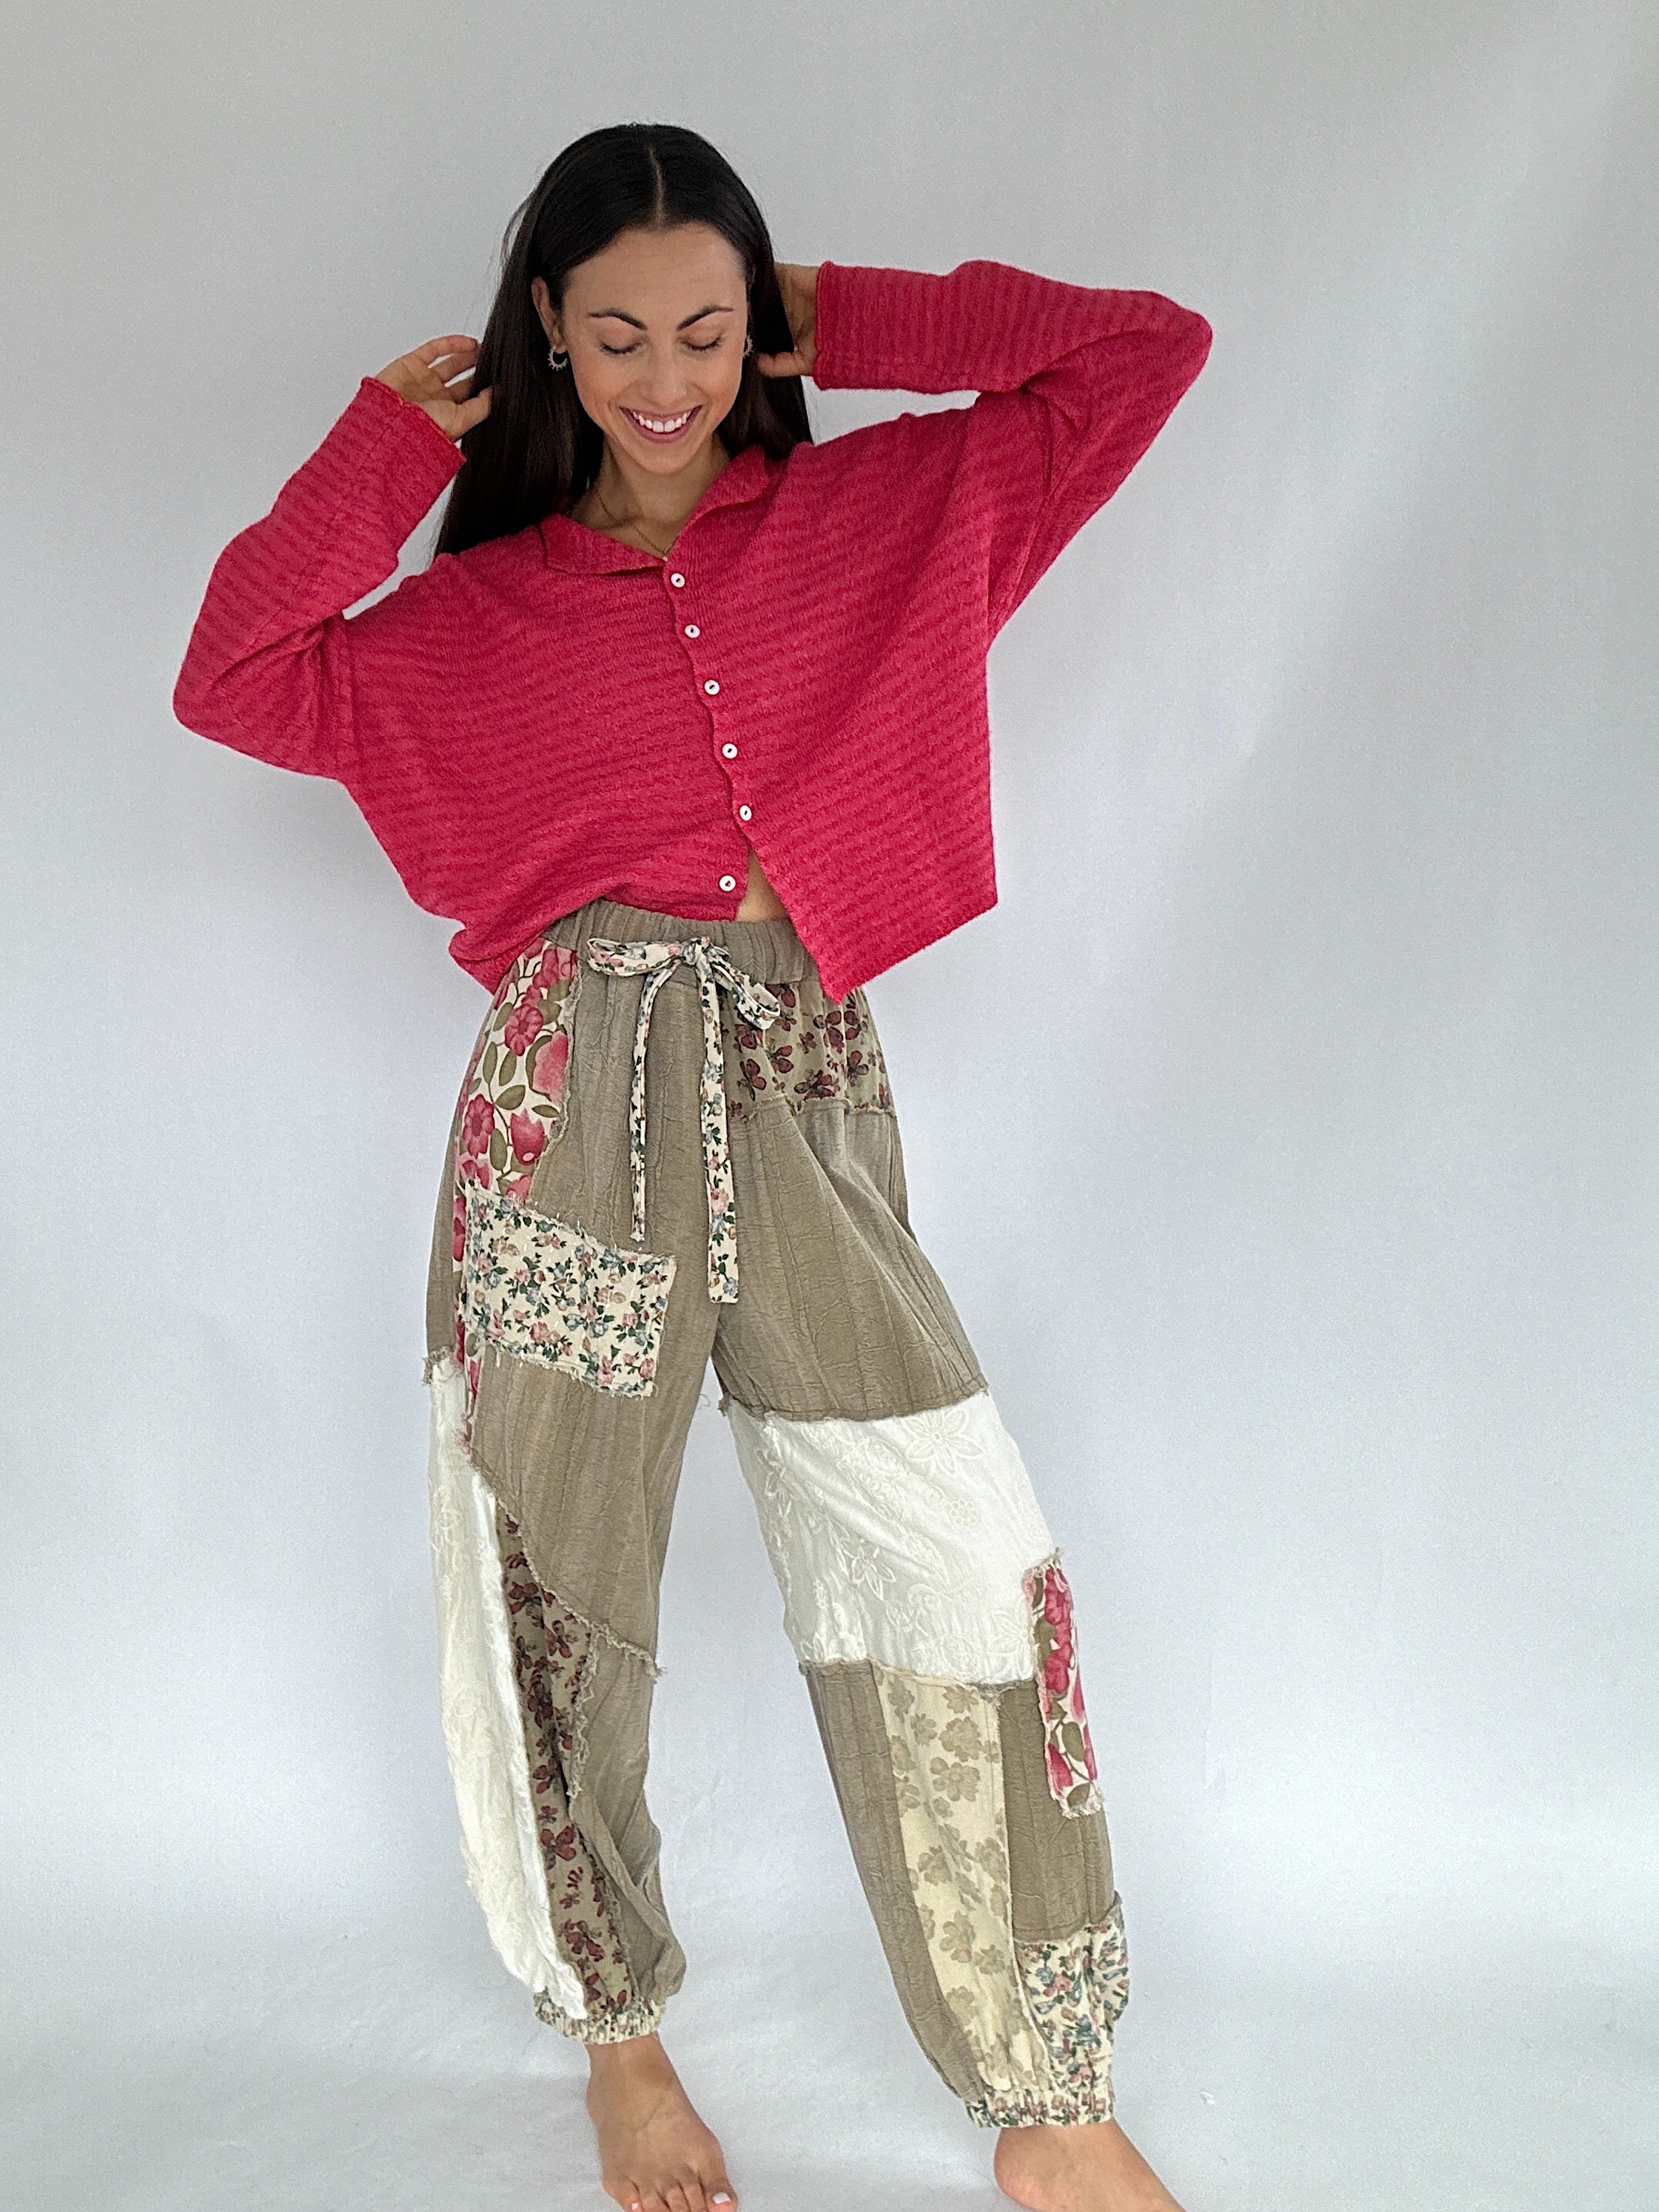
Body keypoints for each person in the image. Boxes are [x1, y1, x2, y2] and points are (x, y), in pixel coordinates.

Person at [173, 120, 1211, 2212]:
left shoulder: (893, 513)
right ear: (546, 332)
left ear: (759, 330)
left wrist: (855, 313)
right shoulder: (471, 617)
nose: (665, 376)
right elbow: (237, 673)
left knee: (946, 1556)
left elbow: (1140, 351)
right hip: (567, 1107)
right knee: (555, 1578)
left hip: (803, 1081)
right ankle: (619, 2039)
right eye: (620, 331)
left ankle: (1045, 2086)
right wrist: (380, 450)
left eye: (711, 329)